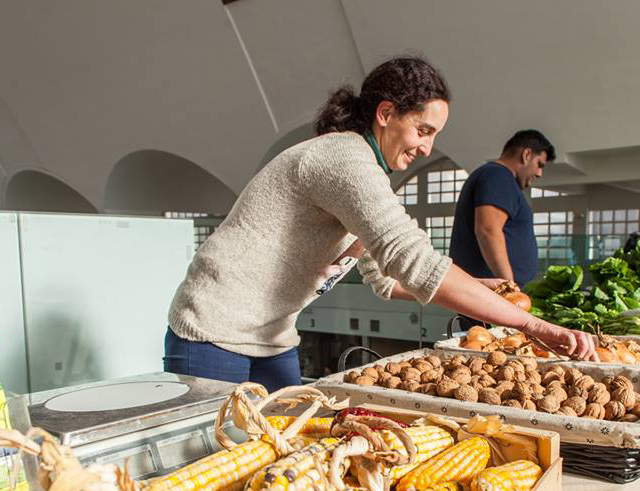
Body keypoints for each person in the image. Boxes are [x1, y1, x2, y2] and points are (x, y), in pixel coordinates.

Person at [163, 57, 597, 391]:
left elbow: (387, 281)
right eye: (423, 130)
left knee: (286, 458)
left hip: (273, 338)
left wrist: (483, 287)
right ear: (387, 113)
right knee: (220, 469)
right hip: (212, 333)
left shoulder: (367, 175)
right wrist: (534, 326)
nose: (427, 148)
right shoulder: (344, 159)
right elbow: (413, 260)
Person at [449, 130, 554, 288]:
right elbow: (487, 230)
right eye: (539, 164)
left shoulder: (496, 176)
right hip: (493, 292)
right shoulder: (498, 175)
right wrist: (509, 287)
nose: (539, 173)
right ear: (527, 155)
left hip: (492, 292)